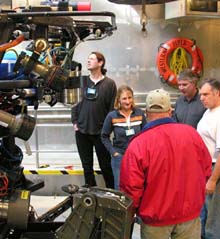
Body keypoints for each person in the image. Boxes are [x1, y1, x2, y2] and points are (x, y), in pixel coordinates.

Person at [120, 88, 212, 239]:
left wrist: (132, 213)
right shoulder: (191, 134)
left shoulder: (139, 144)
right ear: (170, 111)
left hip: (155, 220)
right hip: (189, 216)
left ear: (146, 112)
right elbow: (206, 170)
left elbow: (131, 188)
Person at [71, 51, 117, 188]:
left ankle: (111, 192)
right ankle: (90, 193)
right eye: (88, 58)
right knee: (87, 166)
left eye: (92, 59)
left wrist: (107, 129)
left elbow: (112, 108)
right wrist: (74, 122)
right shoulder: (82, 81)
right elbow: (74, 101)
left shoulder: (109, 84)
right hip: (82, 131)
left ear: (100, 63)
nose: (88, 61)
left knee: (106, 165)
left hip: (100, 133)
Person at [173, 68, 207, 238]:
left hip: (199, 156)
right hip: (181, 155)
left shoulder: (203, 102)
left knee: (199, 194)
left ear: (194, 84)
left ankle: (201, 231)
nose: (181, 88)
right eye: (179, 85)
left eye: (184, 84)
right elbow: (174, 123)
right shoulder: (179, 102)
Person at [101, 85, 146, 189]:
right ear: (119, 100)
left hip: (137, 157)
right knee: (119, 186)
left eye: (130, 97)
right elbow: (104, 136)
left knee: (137, 185)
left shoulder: (139, 113)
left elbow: (145, 135)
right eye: (124, 98)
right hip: (119, 157)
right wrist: (114, 153)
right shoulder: (112, 116)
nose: (127, 101)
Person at [197, 78, 220, 239]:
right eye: (200, 95)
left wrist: (212, 179)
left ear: (217, 94)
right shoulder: (208, 112)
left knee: (214, 219)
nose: (202, 98)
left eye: (205, 94)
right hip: (204, 169)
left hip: (215, 170)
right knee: (204, 214)